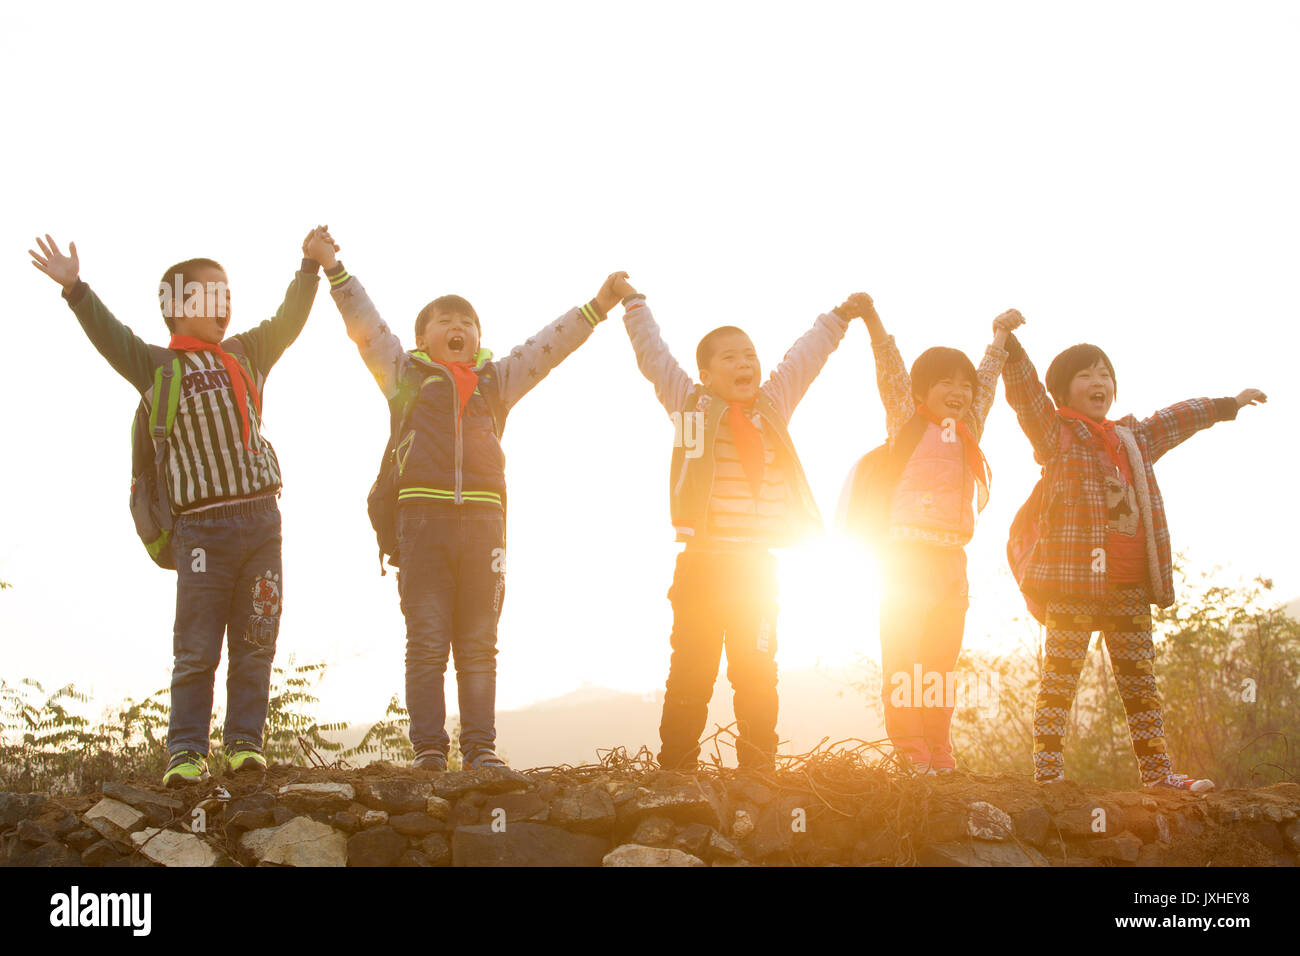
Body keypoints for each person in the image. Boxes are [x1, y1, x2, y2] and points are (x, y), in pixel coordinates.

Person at [29, 228, 330, 786]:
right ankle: (187, 751)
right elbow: (110, 336)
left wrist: (308, 268)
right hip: (202, 530)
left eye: (227, 295)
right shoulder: (156, 368)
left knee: (256, 639)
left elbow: (288, 320)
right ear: (177, 309)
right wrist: (76, 290)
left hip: (263, 521)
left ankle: (245, 745)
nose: (224, 305)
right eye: (208, 296)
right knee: (196, 647)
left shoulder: (246, 354)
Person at [319, 232, 626, 770]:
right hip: (422, 523)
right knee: (428, 641)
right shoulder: (405, 376)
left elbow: (545, 348)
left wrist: (596, 307)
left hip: (485, 527)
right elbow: (367, 327)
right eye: (445, 322)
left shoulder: (496, 382)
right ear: (421, 338)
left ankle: (480, 750)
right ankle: (430, 752)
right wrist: (334, 270)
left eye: (469, 324)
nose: (458, 328)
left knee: (480, 644)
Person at [1000, 321, 1267, 790]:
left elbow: (1177, 418)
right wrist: (1011, 346)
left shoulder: (1132, 439)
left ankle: (1158, 775)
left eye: (1105, 373)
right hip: (1072, 582)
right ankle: (1047, 774)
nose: (1098, 381)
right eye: (1085, 374)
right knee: (1060, 680)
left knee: (1140, 682)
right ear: (1063, 390)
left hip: (1128, 582)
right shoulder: (1056, 436)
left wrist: (1230, 404)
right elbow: (1027, 397)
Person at [621, 278, 865, 771]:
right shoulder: (691, 408)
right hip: (704, 567)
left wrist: (838, 317)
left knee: (756, 671)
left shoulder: (771, 408)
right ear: (705, 373)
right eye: (730, 358)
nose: (745, 364)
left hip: (756, 570)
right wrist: (633, 304)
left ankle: (758, 769)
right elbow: (654, 357)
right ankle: (677, 768)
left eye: (750, 355)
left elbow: (804, 359)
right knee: (692, 670)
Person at [863, 299, 1019, 772]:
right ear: (921, 391)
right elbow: (889, 368)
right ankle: (910, 754)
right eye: (945, 382)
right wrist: (871, 319)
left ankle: (939, 751)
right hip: (905, 561)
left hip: (952, 563)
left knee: (939, 664)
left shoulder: (969, 428)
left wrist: (999, 339)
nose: (959, 390)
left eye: (963, 384)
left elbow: (988, 383)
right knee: (905, 661)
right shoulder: (903, 420)